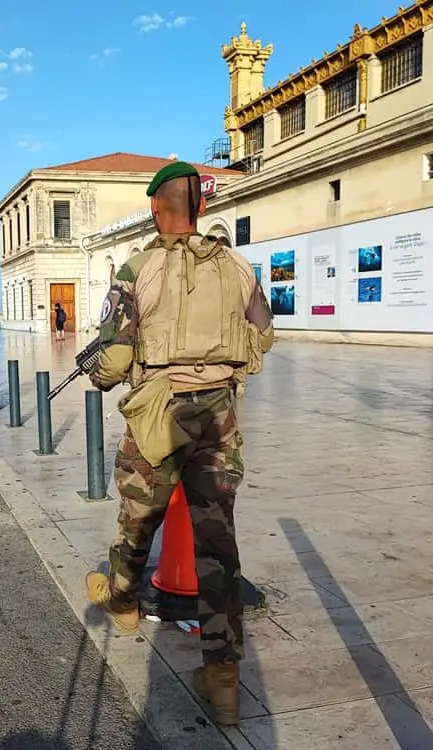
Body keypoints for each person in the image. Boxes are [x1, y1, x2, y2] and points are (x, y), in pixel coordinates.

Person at [84, 161, 275, 727]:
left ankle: (121, 601)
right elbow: (263, 333)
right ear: (202, 210)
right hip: (218, 416)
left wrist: (100, 370)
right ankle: (223, 681)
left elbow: (113, 359)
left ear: (154, 209)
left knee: (137, 521)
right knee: (218, 546)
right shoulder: (238, 267)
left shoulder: (137, 267)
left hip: (157, 417)